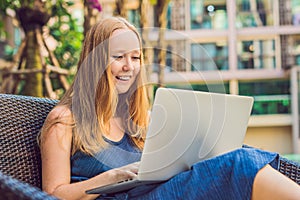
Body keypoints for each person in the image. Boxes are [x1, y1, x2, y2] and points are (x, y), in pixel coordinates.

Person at [38, 16, 300, 200]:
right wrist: (110, 177)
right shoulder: (65, 120)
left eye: (136, 57)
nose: (129, 66)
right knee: (241, 164)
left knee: (242, 155)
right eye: (118, 56)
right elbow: (52, 194)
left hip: (160, 193)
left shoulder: (140, 120)